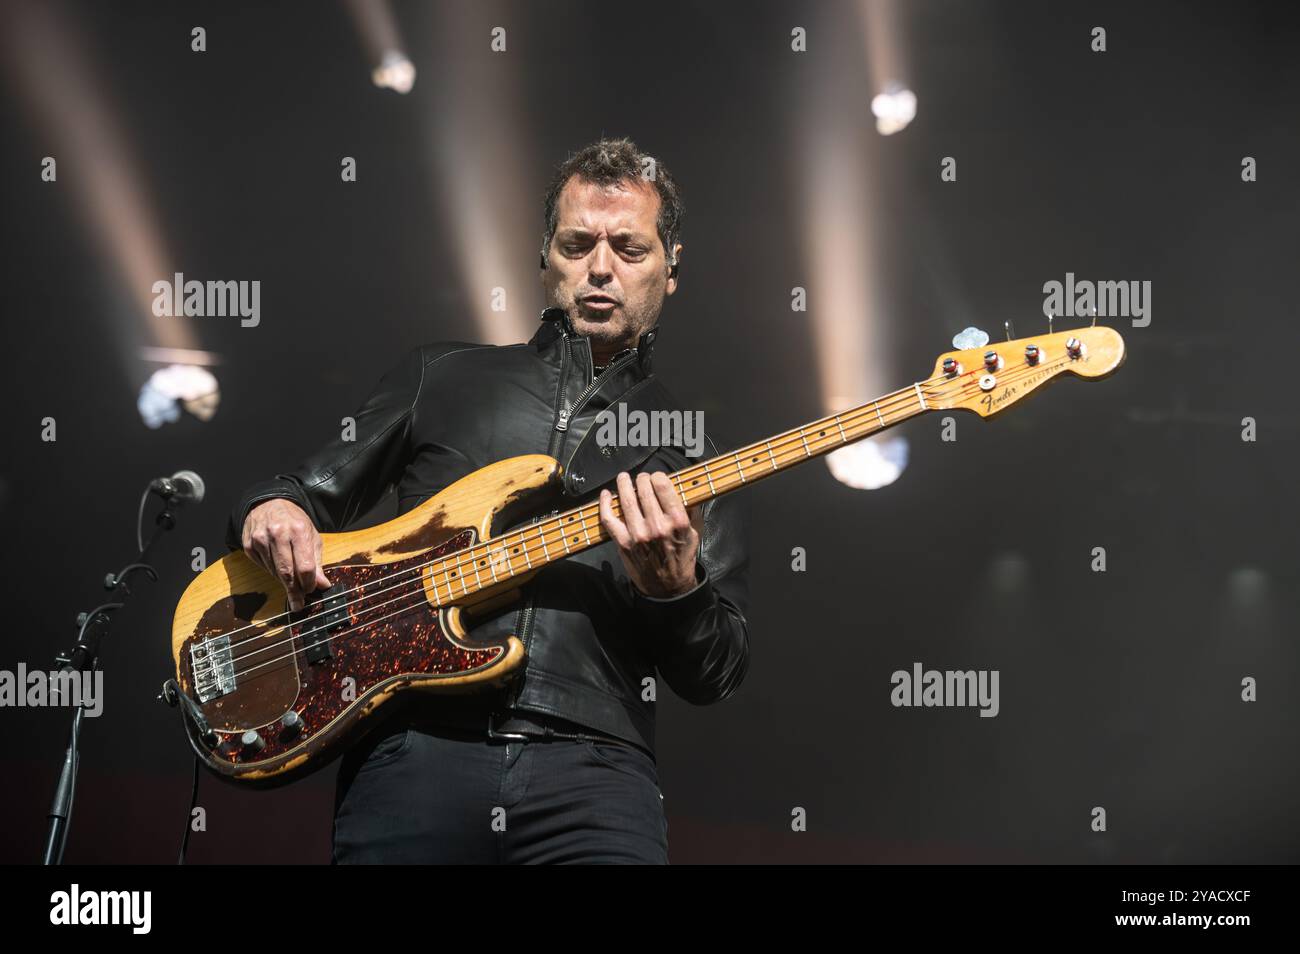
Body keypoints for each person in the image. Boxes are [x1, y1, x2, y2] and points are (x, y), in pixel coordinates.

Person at [228, 138, 751, 864]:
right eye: (577, 244)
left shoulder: (696, 450)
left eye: (629, 249)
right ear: (545, 256)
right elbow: (303, 491)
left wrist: (676, 592)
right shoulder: (441, 375)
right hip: (415, 751)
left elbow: (718, 668)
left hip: (595, 775)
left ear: (671, 267)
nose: (600, 267)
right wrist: (272, 509)